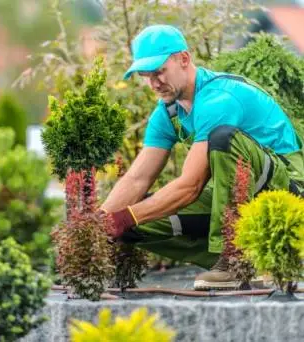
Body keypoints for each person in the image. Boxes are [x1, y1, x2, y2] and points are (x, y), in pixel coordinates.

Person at [100, 24, 304, 290]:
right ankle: (252, 260)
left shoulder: (219, 99)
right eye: (146, 75)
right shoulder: (167, 114)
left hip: (288, 192)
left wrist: (126, 216)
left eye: (159, 71)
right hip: (240, 197)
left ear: (184, 59)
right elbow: (137, 179)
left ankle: (232, 260)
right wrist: (99, 224)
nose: (154, 83)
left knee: (223, 138)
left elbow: (190, 186)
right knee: (133, 226)